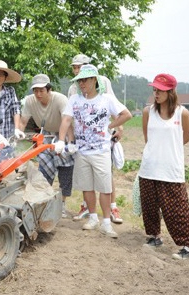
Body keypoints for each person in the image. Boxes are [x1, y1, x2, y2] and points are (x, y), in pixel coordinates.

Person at [56, 65, 132, 238]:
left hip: (101, 150)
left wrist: (110, 126)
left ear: (94, 80)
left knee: (104, 188)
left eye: (85, 80)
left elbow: (126, 114)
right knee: (87, 187)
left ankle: (106, 222)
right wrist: (61, 140)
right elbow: (66, 119)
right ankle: (92, 217)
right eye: (79, 80)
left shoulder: (106, 99)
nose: (81, 83)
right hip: (82, 151)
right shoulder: (74, 99)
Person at [138, 73, 189, 260]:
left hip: (171, 170)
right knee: (150, 206)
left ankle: (186, 246)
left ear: (171, 92)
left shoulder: (182, 113)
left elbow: (184, 138)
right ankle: (155, 237)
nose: (156, 93)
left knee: (177, 209)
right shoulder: (148, 112)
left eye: (160, 90)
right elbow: (148, 137)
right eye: (154, 90)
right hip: (149, 167)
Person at [68, 53, 124, 224]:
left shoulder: (103, 81)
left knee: (106, 175)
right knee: (86, 179)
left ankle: (112, 208)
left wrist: (117, 127)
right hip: (83, 141)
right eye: (74, 67)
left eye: (80, 66)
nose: (77, 70)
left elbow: (112, 105)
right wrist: (70, 139)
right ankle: (87, 208)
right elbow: (71, 116)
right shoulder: (73, 89)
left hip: (102, 138)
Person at [19, 74, 76, 218]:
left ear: (48, 89)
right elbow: (24, 120)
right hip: (45, 134)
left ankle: (62, 203)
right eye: (35, 90)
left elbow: (67, 121)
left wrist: (66, 141)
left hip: (63, 131)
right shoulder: (30, 101)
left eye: (41, 90)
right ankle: (46, 199)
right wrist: (18, 133)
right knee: (44, 168)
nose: (38, 94)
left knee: (65, 168)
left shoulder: (60, 99)